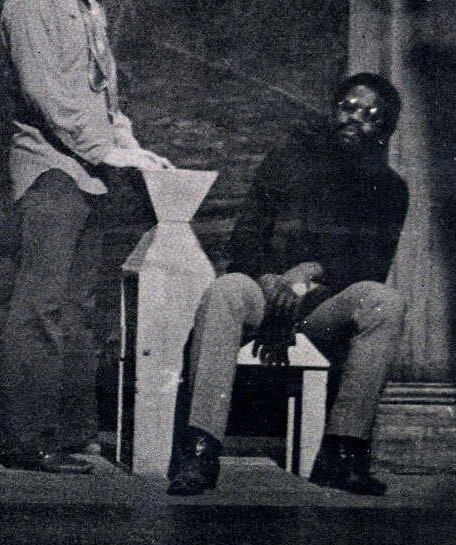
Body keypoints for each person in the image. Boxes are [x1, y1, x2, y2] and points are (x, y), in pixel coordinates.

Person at [0, 0, 173, 474]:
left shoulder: (88, 6)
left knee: (76, 307)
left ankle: (68, 431)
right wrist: (107, 151)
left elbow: (102, 98)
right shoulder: (31, 0)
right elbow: (46, 94)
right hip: (50, 172)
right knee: (41, 306)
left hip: (88, 177)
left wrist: (131, 145)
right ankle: (23, 440)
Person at [168, 73, 409, 496]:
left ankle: (342, 454)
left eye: (371, 115)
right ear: (333, 110)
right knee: (226, 291)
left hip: (325, 304)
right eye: (348, 108)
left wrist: (310, 272)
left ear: (384, 129)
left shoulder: (390, 189)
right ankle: (200, 450)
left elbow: (371, 266)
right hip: (265, 289)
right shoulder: (287, 160)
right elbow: (245, 239)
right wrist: (270, 279)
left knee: (385, 302)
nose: (355, 119)